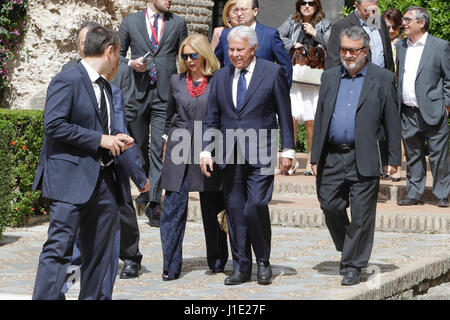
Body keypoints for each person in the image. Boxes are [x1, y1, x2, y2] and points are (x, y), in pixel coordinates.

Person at [32, 26, 135, 300]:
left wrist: (115, 139)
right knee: (58, 251)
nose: (119, 61)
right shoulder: (68, 78)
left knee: (100, 257)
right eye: (119, 54)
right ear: (110, 50)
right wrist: (100, 139)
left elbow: (96, 128)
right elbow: (53, 125)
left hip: (104, 183)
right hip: (68, 182)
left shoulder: (105, 87)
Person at [201, 26, 295, 286]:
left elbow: (284, 114)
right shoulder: (220, 77)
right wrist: (205, 150)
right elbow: (212, 118)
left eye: (239, 49)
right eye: (230, 49)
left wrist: (288, 149)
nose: (234, 54)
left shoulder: (272, 72)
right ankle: (241, 266)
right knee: (234, 211)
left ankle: (263, 261)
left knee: (254, 206)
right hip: (229, 154)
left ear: (253, 49)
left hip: (261, 153)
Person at [311, 26, 401, 286]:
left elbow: (392, 120)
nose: (348, 55)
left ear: (366, 51)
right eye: (344, 50)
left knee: (362, 215)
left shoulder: (382, 78)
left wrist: (393, 158)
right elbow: (321, 118)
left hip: (364, 155)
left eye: (353, 50)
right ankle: (349, 246)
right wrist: (315, 155)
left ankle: (353, 265)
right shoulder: (329, 77)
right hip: (332, 157)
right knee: (330, 205)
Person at [60, 22, 148, 284]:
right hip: (80, 166)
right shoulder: (68, 74)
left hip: (114, 160)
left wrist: (138, 175)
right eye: (84, 41)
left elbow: (124, 117)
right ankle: (76, 269)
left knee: (122, 212)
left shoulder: (117, 77)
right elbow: (57, 125)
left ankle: (130, 256)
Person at [159, 34, 227, 281]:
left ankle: (218, 259)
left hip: (207, 147)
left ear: (204, 54)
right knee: (173, 208)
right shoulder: (176, 81)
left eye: (193, 55)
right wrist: (166, 141)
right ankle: (170, 265)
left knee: (212, 207)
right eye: (185, 56)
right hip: (178, 147)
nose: (189, 60)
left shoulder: (217, 80)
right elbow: (169, 116)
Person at [119, 0, 188, 227]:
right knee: (137, 145)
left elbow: (184, 59)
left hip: (165, 94)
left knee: (159, 147)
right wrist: (130, 63)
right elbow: (117, 55)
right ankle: (145, 185)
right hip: (136, 92)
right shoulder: (131, 21)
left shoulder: (178, 23)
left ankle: (154, 202)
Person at [396, 7, 449, 208]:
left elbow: (448, 78)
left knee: (439, 155)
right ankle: (415, 193)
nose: (404, 23)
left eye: (408, 19)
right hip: (408, 111)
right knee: (413, 155)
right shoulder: (401, 46)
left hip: (434, 110)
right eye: (404, 19)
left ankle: (442, 194)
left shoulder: (440, 46)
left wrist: (447, 105)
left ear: (422, 23)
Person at [278, 0, 331, 176]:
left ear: (317, 6)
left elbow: (332, 45)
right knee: (291, 117)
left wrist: (316, 34)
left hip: (314, 78)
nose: (306, 6)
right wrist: (293, 44)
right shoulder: (292, 21)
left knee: (311, 120)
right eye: (303, 3)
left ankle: (312, 160)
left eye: (310, 3)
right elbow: (277, 37)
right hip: (294, 76)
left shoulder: (324, 23)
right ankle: (290, 160)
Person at [214, 0, 293, 88]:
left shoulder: (269, 35)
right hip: (230, 91)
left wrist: (281, 92)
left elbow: (285, 65)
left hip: (261, 93)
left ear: (255, 11)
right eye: (236, 10)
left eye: (243, 10)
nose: (239, 14)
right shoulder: (226, 34)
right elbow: (215, 63)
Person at [325, 0, 394, 72]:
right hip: (356, 80)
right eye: (367, 10)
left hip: (381, 79)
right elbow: (332, 62)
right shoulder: (341, 26)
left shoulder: (380, 21)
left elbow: (388, 54)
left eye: (374, 10)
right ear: (357, 5)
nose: (371, 14)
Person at [383, 8, 404, 182]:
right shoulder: (376, 42)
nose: (390, 31)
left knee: (397, 130)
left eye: (394, 27)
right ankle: (383, 165)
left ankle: (396, 167)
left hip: (398, 91)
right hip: (380, 91)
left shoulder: (403, 45)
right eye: (387, 27)